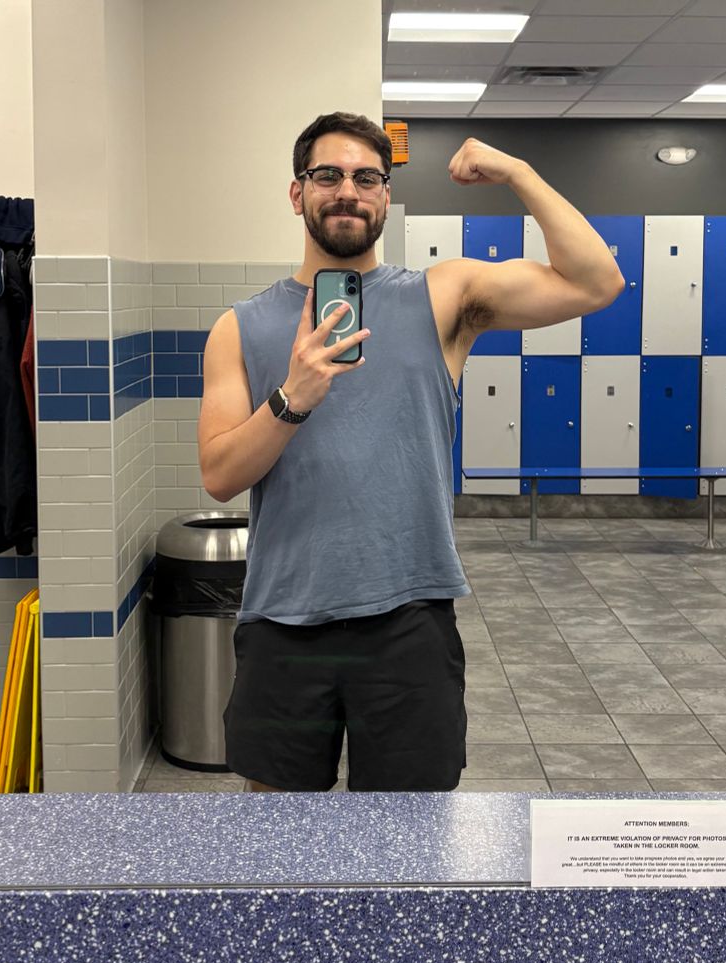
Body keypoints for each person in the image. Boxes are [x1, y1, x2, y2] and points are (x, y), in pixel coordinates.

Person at [198, 111, 624, 794]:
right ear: (296, 192)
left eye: (368, 178)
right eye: (327, 176)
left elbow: (597, 283)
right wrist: (293, 398)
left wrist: (518, 171)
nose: (348, 191)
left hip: (409, 619)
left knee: (413, 844)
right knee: (275, 846)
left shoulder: (444, 295)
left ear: (386, 197)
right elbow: (220, 475)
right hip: (284, 618)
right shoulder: (239, 326)